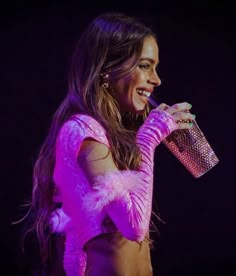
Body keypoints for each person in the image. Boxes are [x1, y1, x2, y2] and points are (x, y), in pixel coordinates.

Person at [28, 12, 195, 275]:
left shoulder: (106, 134)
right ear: (107, 68)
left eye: (155, 67)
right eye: (144, 65)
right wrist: (149, 138)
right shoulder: (82, 129)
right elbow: (134, 226)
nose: (156, 79)